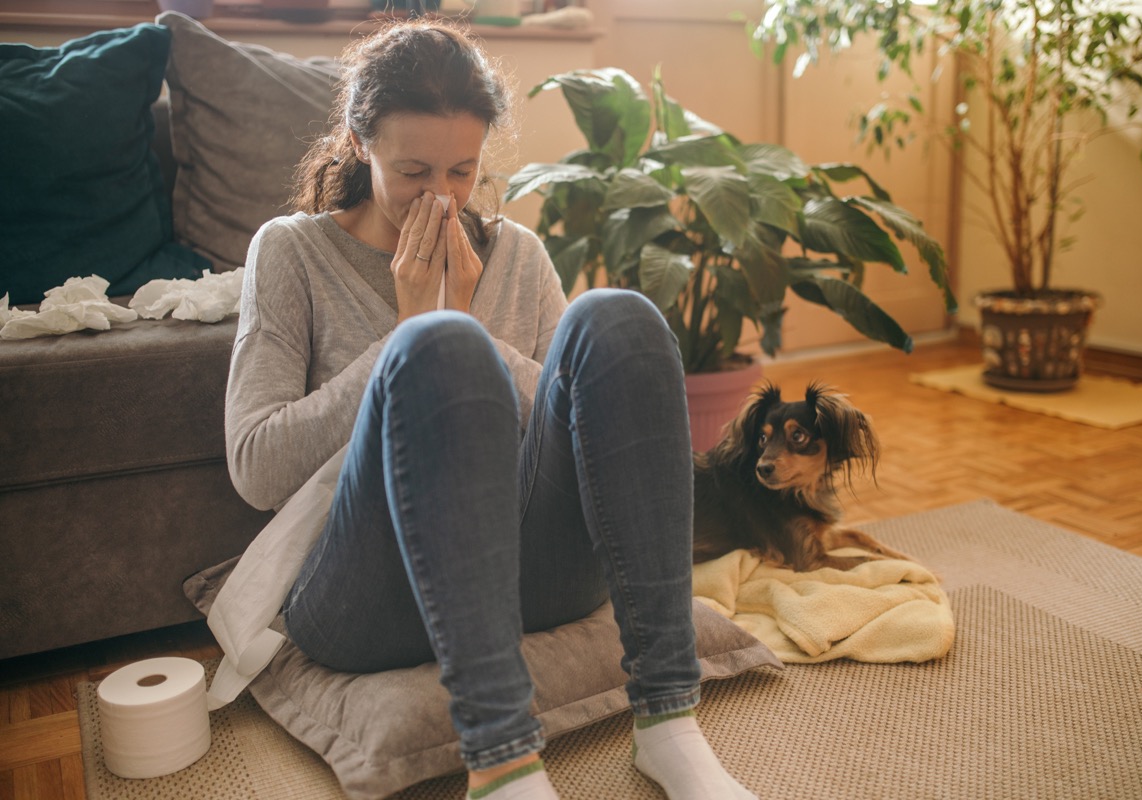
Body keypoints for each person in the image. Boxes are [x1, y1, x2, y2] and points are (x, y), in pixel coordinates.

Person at [224, 18, 756, 800]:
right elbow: (256, 468)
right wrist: (411, 336)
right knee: (436, 344)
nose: (438, 198)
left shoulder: (518, 256)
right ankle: (504, 765)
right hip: (363, 596)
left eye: (462, 172)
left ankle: (670, 725)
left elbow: (578, 435)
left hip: (530, 575)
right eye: (412, 171)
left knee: (621, 317)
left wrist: (471, 330)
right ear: (358, 140)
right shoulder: (292, 252)